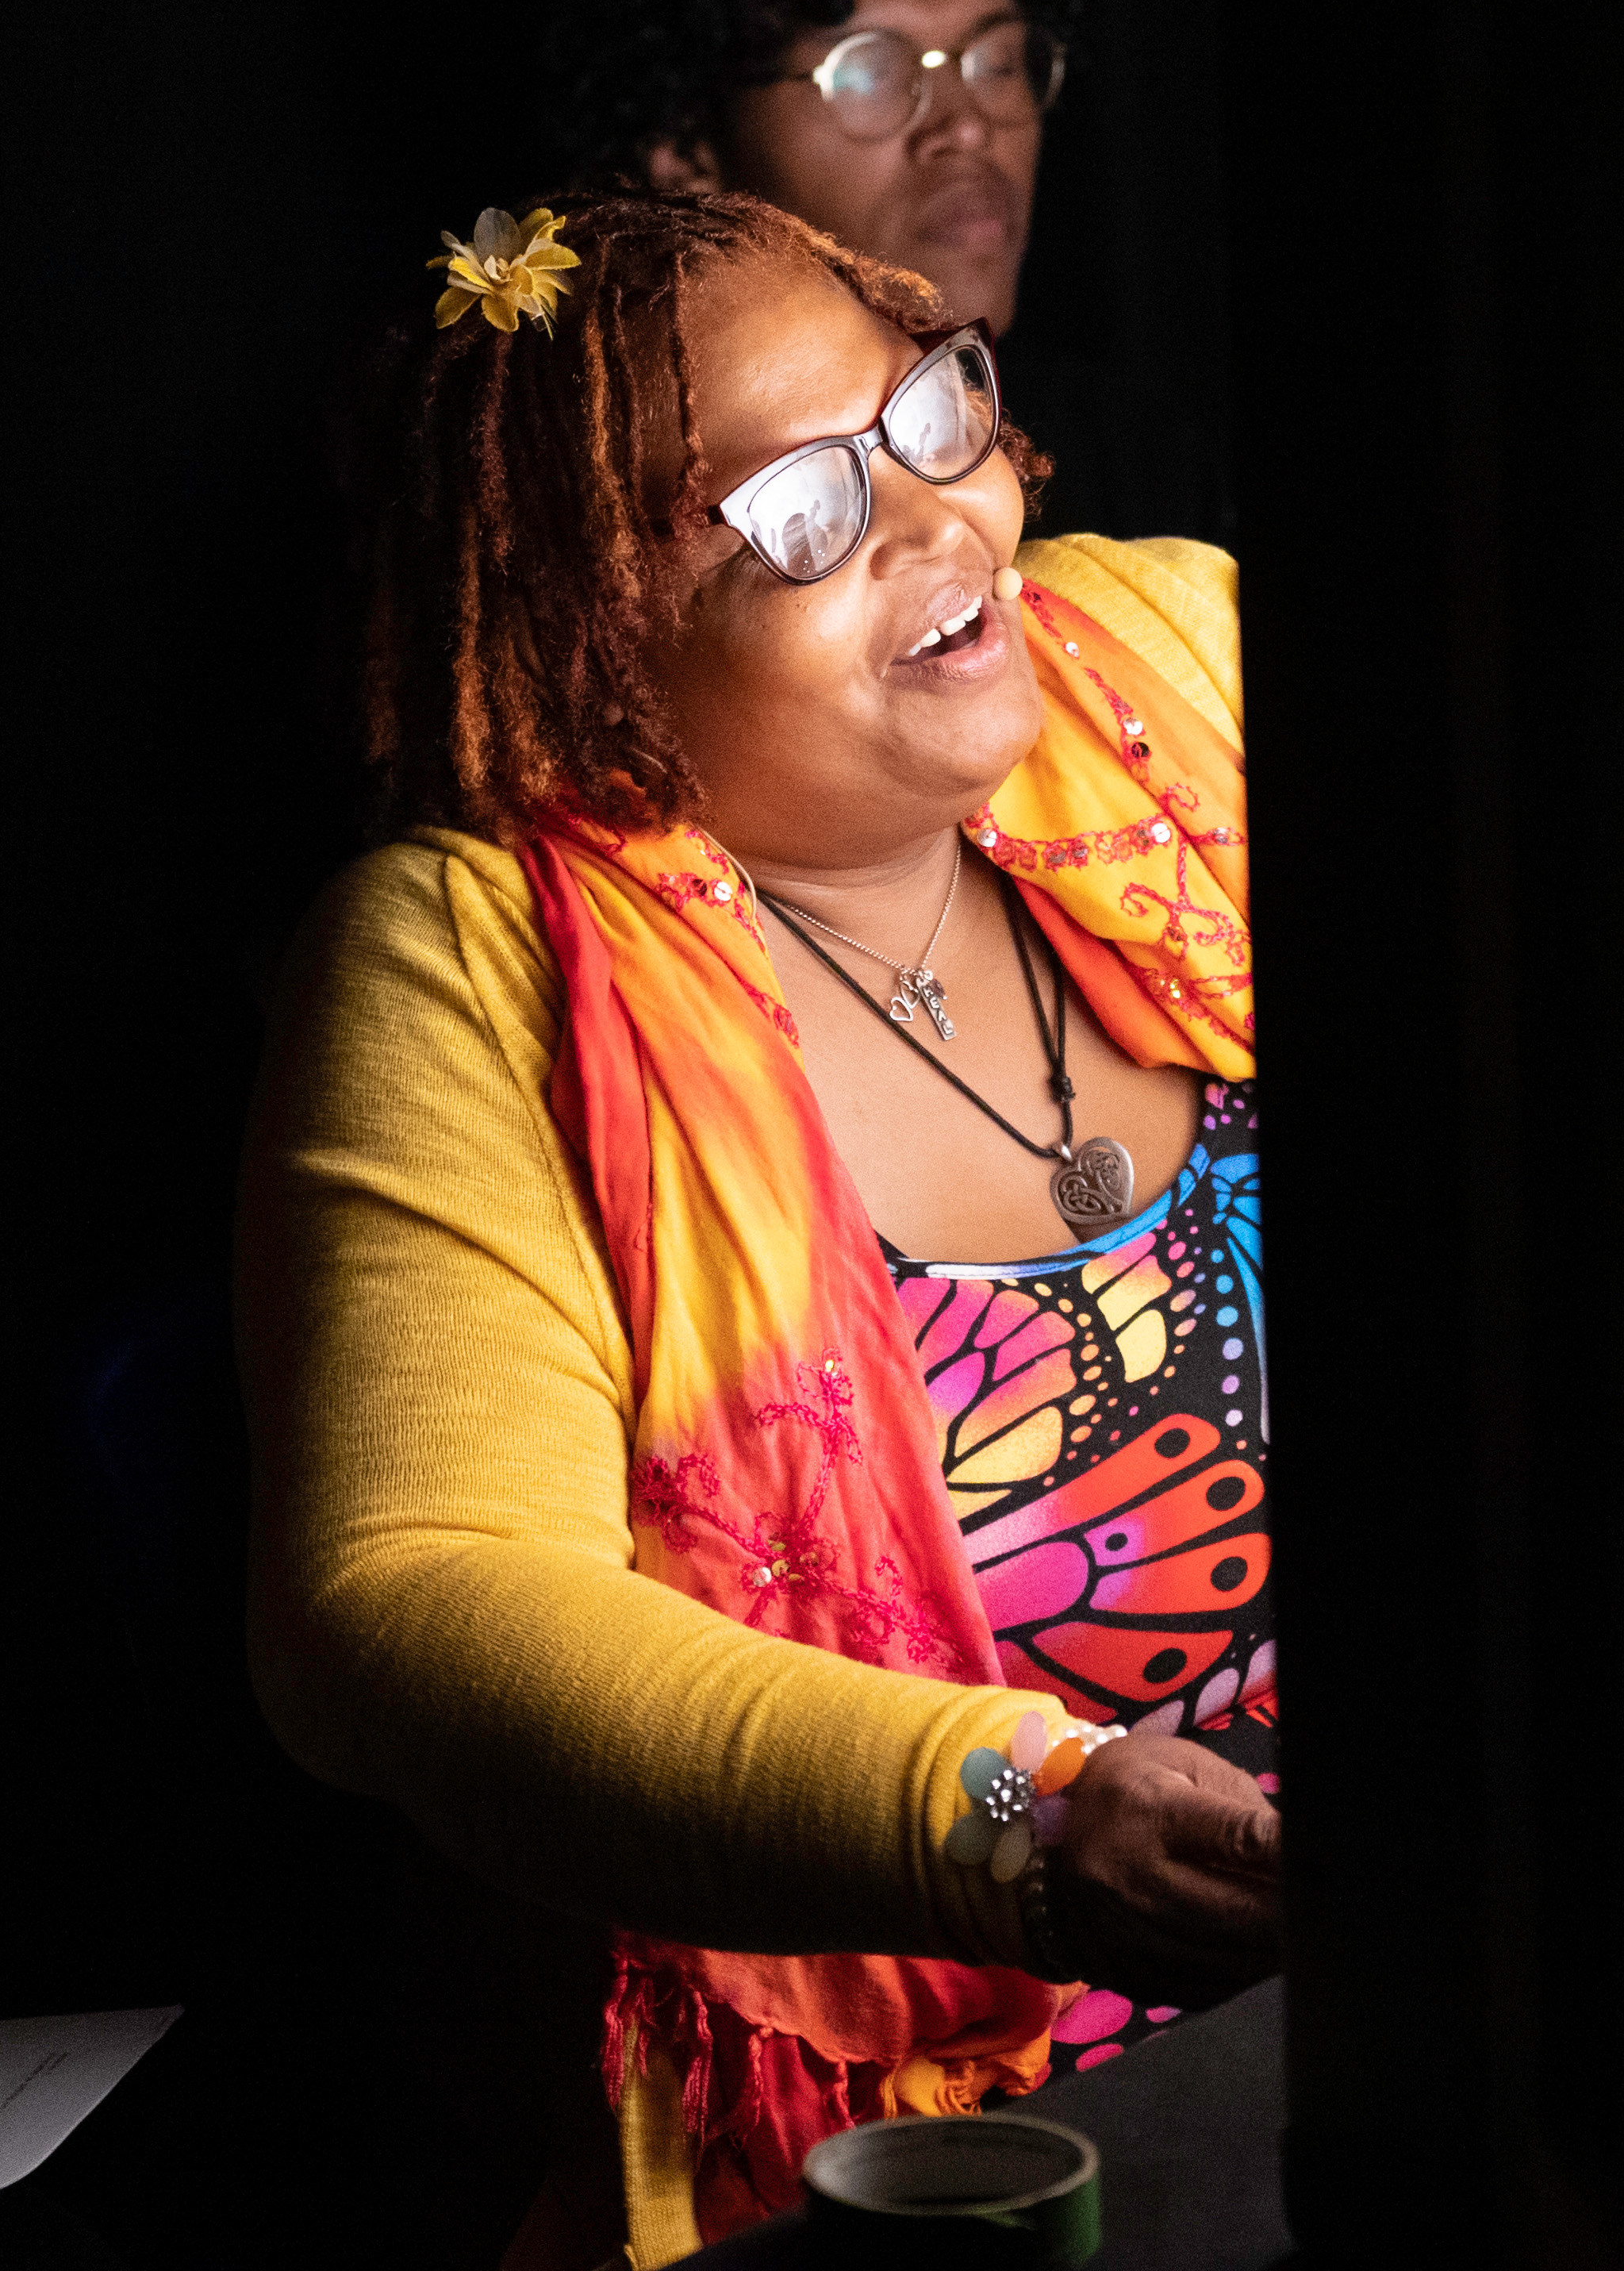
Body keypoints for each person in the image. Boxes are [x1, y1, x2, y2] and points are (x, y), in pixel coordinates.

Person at [244, 191, 1281, 2265]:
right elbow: (413, 1602)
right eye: (795, 510)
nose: (928, 523)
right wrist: (1021, 1814)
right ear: (584, 630)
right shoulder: (484, 971)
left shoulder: (1175, 662)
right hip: (945, 2151)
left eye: (925, 410)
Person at [541, 0, 1081, 352]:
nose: (968, 128)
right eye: (868, 73)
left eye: (998, 63)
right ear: (686, 151)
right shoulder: (607, 438)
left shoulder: (1135, 431)